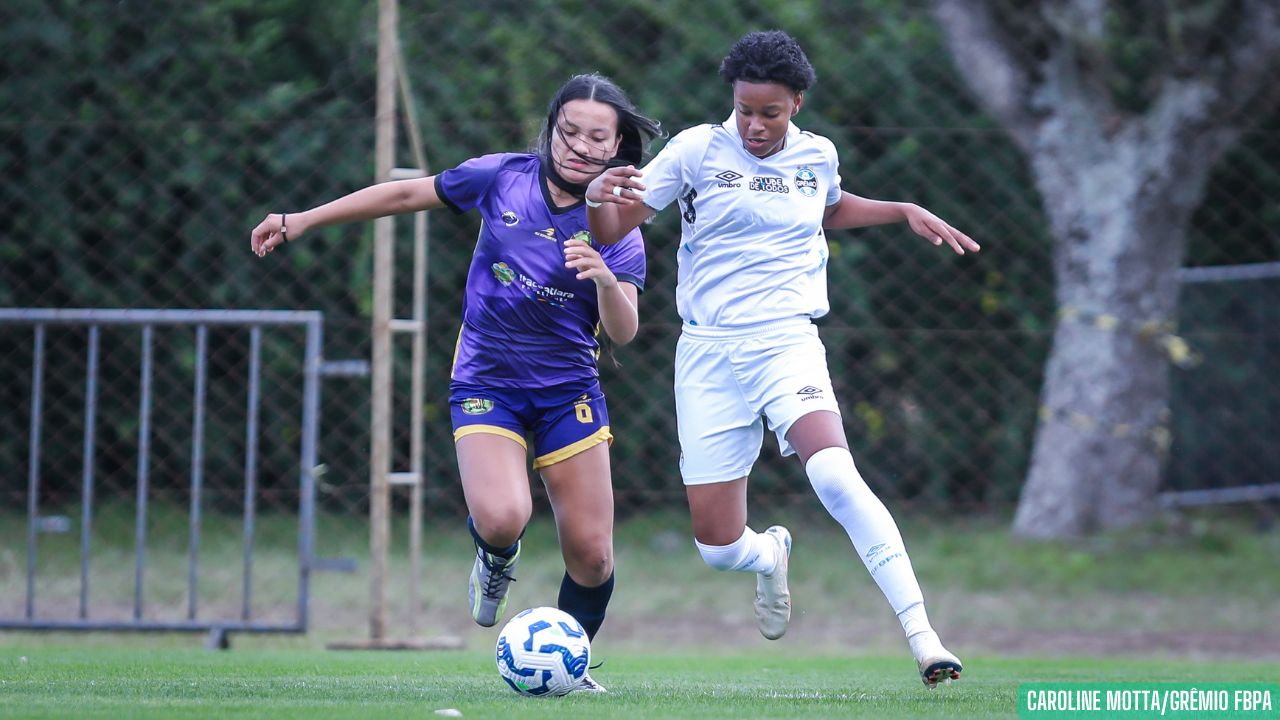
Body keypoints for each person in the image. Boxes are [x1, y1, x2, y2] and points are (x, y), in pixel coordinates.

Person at [584, 31, 979, 688]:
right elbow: (613, 231)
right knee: (717, 549)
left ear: (796, 103)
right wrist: (600, 198)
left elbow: (825, 209)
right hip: (707, 353)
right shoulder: (695, 150)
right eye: (745, 109)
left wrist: (900, 210)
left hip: (787, 342)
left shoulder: (817, 155)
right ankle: (769, 554)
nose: (756, 124)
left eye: (771, 111)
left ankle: (924, 638)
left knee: (835, 476)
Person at [251, 73, 661, 693]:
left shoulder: (620, 226)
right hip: (487, 379)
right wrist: (302, 219)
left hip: (568, 393)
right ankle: (495, 560)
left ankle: (564, 673)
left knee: (594, 554)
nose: (578, 145)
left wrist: (605, 280)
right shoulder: (502, 177)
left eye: (596, 137)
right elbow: (402, 196)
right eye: (567, 130)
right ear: (550, 129)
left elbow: (625, 332)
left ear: (617, 148)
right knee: (502, 518)